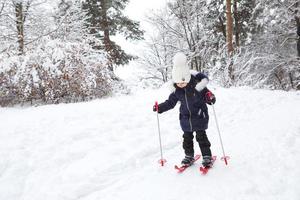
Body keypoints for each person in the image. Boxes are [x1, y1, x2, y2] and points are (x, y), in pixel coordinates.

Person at [153, 52, 216, 167]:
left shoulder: (198, 87)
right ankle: (189, 156)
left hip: (199, 116)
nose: (181, 84)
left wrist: (210, 98)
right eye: (178, 82)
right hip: (186, 119)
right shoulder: (177, 91)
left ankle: (207, 156)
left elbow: (208, 94)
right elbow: (170, 103)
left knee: (201, 138)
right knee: (187, 139)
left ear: (187, 77)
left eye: (183, 81)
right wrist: (160, 107)